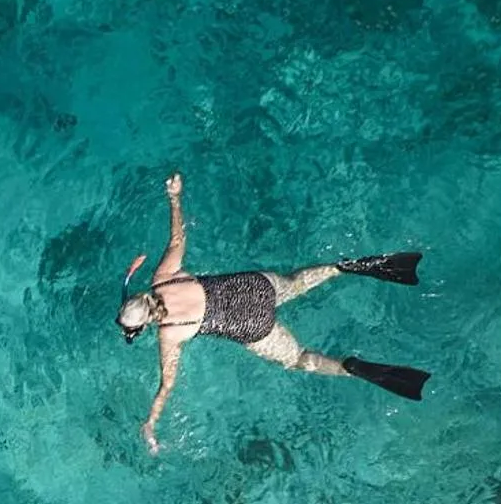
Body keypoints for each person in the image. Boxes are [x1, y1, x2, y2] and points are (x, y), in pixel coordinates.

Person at [116, 172, 430, 452]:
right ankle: (345, 267)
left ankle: (352, 367)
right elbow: (178, 237)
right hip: (255, 285)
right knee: (295, 282)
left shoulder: (170, 333)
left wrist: (150, 422)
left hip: (250, 324)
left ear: (144, 324)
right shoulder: (164, 277)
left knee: (299, 359)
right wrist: (174, 197)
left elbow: (167, 385)